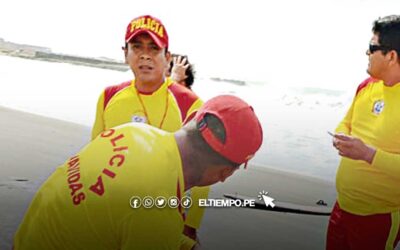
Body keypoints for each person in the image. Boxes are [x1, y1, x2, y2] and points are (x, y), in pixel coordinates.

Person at [13, 95, 264, 250]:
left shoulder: (132, 131)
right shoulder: (159, 208)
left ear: (191, 120)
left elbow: (118, 214)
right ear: (224, 173)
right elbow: (148, 218)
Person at [91, 15, 207, 242]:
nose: (145, 55)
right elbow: (95, 157)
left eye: (154, 48)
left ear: (167, 57)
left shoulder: (190, 104)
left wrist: (191, 225)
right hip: (110, 212)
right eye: (137, 47)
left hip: (163, 216)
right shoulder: (109, 96)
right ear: (125, 54)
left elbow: (203, 170)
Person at [327, 15, 400, 250]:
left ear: (391, 56)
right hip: (341, 208)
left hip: (380, 218)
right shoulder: (366, 85)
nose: (366, 53)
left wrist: (368, 154)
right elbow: (346, 123)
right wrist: (342, 138)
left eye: (372, 47)